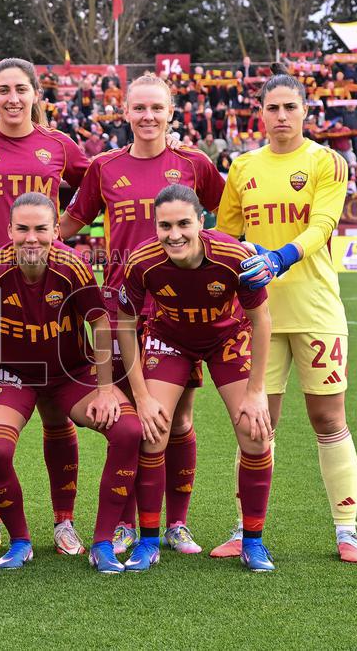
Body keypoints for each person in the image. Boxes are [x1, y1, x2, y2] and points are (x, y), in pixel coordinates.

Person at [59, 73, 225, 556]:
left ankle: (176, 524)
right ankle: (129, 524)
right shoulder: (105, 167)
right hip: (121, 309)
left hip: (180, 309)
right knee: (134, 417)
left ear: (172, 112)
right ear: (125, 113)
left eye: (157, 108)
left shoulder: (194, 163)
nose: (148, 117)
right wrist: (27, 235)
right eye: (139, 109)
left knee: (177, 420)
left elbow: (226, 213)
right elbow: (70, 221)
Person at [214, 63, 357, 563]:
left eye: (289, 107)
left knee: (328, 416)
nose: (281, 116)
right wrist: (246, 253)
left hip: (316, 307)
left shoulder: (328, 162)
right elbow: (226, 234)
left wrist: (279, 257)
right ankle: (244, 528)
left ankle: (346, 530)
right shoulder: (243, 167)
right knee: (256, 423)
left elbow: (323, 222)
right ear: (259, 114)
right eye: (272, 108)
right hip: (257, 313)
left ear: (305, 111)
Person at [0, 57, 92, 556]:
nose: (12, 98)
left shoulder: (59, 146)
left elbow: (94, 190)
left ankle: (64, 521)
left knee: (57, 414)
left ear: (36, 95)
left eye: (21, 89)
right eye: (3, 90)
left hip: (44, 292)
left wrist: (62, 240)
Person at [0, 192, 143, 573]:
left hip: (71, 373)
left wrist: (104, 388)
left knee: (129, 430)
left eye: (41, 229)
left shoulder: (73, 266)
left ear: (55, 231)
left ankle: (100, 540)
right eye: (23, 229)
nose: (32, 238)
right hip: (14, 375)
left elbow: (99, 323)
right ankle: (19, 540)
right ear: (9, 230)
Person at [115, 184, 275, 572]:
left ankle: (253, 542)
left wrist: (256, 392)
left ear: (201, 221)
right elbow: (124, 323)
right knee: (153, 430)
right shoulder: (141, 262)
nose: (174, 235)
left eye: (184, 223)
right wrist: (142, 395)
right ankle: (149, 540)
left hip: (227, 338)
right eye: (165, 226)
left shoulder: (233, 256)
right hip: (170, 340)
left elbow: (262, 319)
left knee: (254, 434)